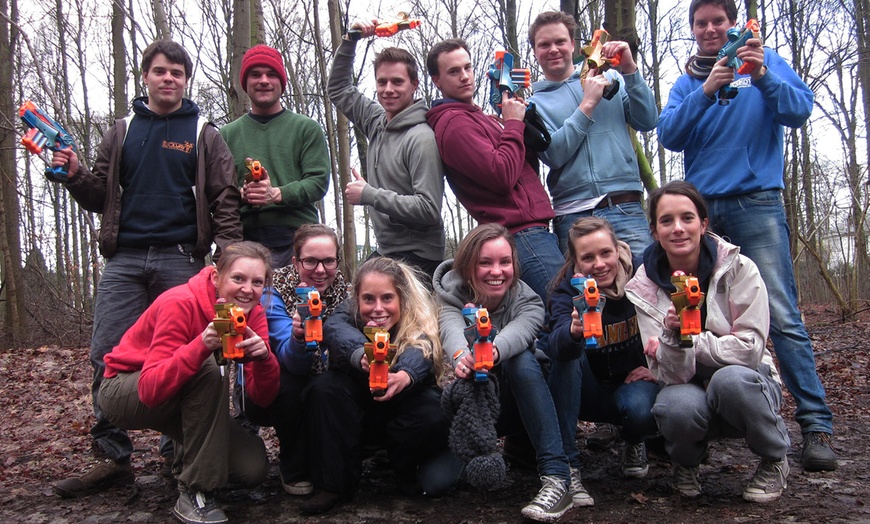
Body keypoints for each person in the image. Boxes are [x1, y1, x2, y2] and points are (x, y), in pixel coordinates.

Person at [51, 40, 243, 498]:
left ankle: (175, 452)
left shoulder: (203, 133)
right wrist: (76, 173)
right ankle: (111, 457)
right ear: (145, 76)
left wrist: (230, 257)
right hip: (125, 259)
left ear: (186, 79)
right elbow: (100, 195)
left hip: (181, 258)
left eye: (177, 72)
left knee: (190, 353)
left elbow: (224, 198)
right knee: (106, 353)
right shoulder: (121, 130)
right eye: (160, 71)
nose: (169, 79)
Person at [656, 0, 837, 471]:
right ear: (693, 30)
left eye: (719, 21)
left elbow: (798, 111)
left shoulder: (766, 61)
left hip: (757, 200)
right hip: (703, 213)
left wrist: (760, 75)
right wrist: (706, 89)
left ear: (732, 24)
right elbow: (668, 135)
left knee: (781, 314)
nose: (711, 29)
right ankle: (697, 419)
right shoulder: (686, 81)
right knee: (689, 307)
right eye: (701, 23)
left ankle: (815, 425)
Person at [625, 181, 790, 502]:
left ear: (703, 224)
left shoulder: (739, 268)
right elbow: (670, 376)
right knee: (675, 405)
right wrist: (673, 337)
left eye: (687, 218)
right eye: (666, 221)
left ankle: (774, 457)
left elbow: (749, 350)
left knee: (730, 380)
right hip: (689, 385)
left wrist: (692, 341)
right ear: (654, 231)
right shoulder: (643, 288)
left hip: (747, 381)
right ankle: (688, 463)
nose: (678, 229)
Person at [98, 241, 279, 524]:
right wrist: (199, 347)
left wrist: (265, 359)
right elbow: (149, 390)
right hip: (124, 390)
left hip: (181, 396)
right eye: (238, 278)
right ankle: (196, 491)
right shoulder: (180, 302)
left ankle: (184, 458)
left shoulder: (253, 314)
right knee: (210, 366)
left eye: (257, 282)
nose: (248, 289)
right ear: (217, 277)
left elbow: (263, 398)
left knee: (252, 467)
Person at [433, 223, 575, 522]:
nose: (496, 271)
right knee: (435, 482)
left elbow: (519, 333)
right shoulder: (450, 296)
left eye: (504, 262)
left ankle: (557, 476)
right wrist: (462, 356)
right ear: (468, 266)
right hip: (476, 402)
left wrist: (492, 351)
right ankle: (490, 452)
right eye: (485, 262)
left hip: (523, 398)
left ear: (514, 265)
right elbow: (451, 330)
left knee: (520, 358)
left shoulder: (530, 301)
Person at [301, 257, 449, 514]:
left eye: (387, 298)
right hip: (358, 409)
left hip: (401, 408)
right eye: (369, 299)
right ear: (357, 300)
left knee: (435, 408)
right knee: (324, 389)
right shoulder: (344, 314)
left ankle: (402, 468)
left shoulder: (418, 317)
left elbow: (424, 347)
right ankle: (334, 484)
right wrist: (361, 355)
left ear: (400, 298)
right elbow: (335, 330)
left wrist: (404, 375)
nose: (378, 308)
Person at [425, 39, 563, 304]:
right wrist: (512, 124)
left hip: (531, 231)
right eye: (454, 71)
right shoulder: (454, 124)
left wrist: (521, 120)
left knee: (549, 317)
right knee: (564, 310)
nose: (465, 76)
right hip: (521, 234)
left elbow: (524, 170)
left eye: (468, 67)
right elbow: (501, 177)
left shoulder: (478, 117)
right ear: (437, 81)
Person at [528, 11, 658, 256]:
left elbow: (648, 120)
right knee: (584, 293)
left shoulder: (610, 78)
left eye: (560, 42)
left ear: (573, 45)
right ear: (535, 51)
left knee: (644, 290)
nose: (553, 49)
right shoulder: (534, 106)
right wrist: (586, 105)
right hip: (573, 215)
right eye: (544, 44)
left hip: (624, 205)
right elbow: (554, 155)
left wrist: (630, 70)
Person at [328, 20, 445, 281]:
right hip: (387, 251)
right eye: (382, 82)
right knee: (350, 313)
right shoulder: (377, 122)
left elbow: (428, 209)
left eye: (397, 82)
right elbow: (338, 89)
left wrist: (370, 194)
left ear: (414, 85)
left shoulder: (421, 138)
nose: (388, 90)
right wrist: (351, 40)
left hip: (419, 258)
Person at [547, 217, 660, 483]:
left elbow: (672, 317)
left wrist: (660, 365)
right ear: (576, 262)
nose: (599, 264)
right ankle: (567, 464)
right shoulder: (566, 292)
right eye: (588, 258)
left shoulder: (644, 275)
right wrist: (573, 331)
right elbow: (554, 344)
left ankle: (634, 440)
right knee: (566, 354)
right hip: (588, 389)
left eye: (606, 253)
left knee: (641, 411)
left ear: (618, 250)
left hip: (633, 381)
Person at [243, 224, 349, 496]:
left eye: (329, 261)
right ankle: (294, 465)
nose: (321, 270)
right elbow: (288, 360)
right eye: (311, 261)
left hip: (328, 376)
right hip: (275, 383)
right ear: (295, 261)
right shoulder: (272, 292)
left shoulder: (346, 294)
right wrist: (299, 338)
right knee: (291, 381)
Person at [220, 44, 330, 268]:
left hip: (299, 240)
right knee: (236, 304)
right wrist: (244, 194)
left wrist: (276, 194)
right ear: (245, 83)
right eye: (255, 74)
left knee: (301, 303)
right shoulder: (225, 135)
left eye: (271, 74)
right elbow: (218, 192)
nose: (263, 80)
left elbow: (318, 182)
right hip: (244, 241)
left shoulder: (306, 128)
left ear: (281, 82)